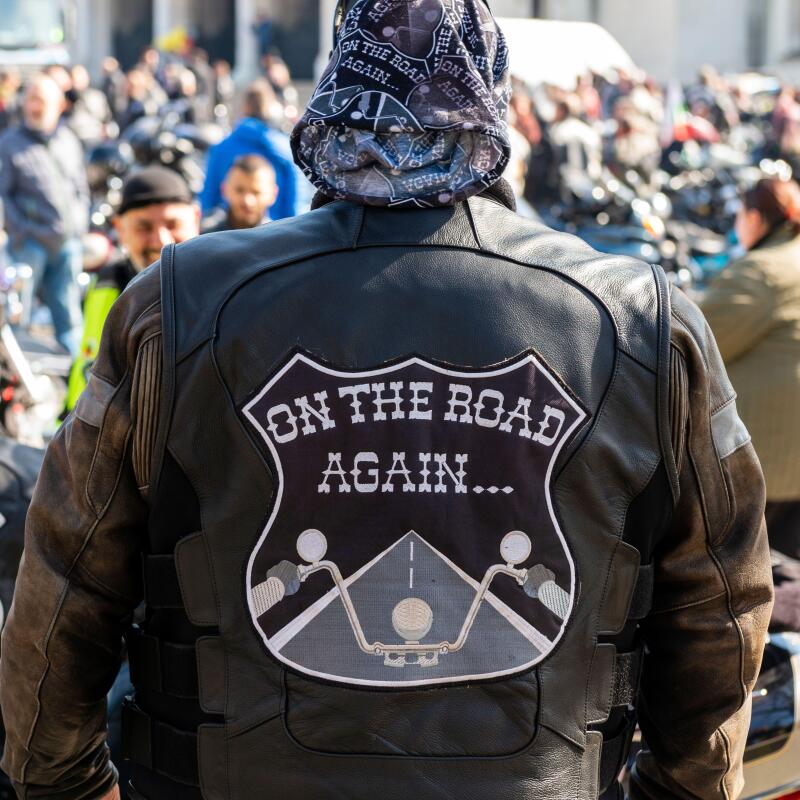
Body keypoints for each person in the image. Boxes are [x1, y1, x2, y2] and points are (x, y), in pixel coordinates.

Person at [0, 3, 772, 800]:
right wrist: (680, 790)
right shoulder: (638, 317)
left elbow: (65, 569)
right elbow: (720, 594)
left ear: (339, 81)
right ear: (486, 89)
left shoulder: (181, 302)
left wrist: (62, 784)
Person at [701, 177, 800, 561]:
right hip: (790, 462)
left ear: (755, 218)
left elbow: (698, 342)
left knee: (744, 574)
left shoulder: (759, 272)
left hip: (768, 463)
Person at [66, 166, 199, 412]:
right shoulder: (107, 284)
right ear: (119, 229)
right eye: (144, 227)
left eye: (172, 224)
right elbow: (90, 373)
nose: (161, 240)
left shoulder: (224, 281)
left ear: (196, 218)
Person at [0, 73, 88, 356]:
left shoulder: (68, 140)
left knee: (69, 318)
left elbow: (79, 187)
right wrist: (24, 230)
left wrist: (79, 225)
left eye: (43, 100)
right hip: (30, 245)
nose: (35, 106)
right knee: (17, 317)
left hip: (67, 244)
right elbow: (4, 196)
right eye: (31, 99)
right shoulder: (10, 143)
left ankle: (76, 384)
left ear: (59, 105)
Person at [200, 79, 300, 220]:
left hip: (228, 233)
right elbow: (296, 202)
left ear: (244, 106)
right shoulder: (285, 150)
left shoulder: (222, 148)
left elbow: (209, 199)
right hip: (276, 233)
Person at [202, 154, 278, 233]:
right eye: (239, 190)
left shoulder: (280, 241)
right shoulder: (205, 235)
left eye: (256, 193)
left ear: (274, 194)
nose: (247, 201)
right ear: (224, 189)